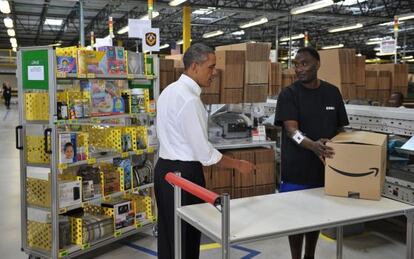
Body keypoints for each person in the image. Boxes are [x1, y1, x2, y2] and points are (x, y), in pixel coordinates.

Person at [155, 43, 255, 259]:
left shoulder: (168, 91)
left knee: (168, 235)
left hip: (164, 171)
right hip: (184, 176)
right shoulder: (190, 101)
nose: (214, 73)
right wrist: (238, 164)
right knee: (187, 238)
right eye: (210, 67)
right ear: (193, 67)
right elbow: (205, 154)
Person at [274, 47, 349, 259]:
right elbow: (291, 131)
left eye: (304, 63)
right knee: (295, 220)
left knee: (316, 217)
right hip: (296, 171)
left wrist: (345, 148)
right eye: (296, 64)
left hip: (324, 170)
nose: (299, 69)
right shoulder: (289, 94)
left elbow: (341, 129)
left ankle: (310, 256)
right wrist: (312, 145)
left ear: (318, 64)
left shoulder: (332, 93)